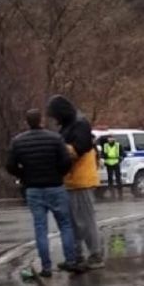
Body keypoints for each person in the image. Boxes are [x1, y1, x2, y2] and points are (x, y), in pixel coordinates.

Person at [6, 109, 81, 276]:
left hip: (33, 188)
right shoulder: (55, 138)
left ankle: (46, 267)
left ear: (27, 122)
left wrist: (23, 175)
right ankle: (70, 260)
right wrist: (59, 174)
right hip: (55, 185)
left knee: (40, 228)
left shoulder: (18, 141)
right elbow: (66, 161)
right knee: (65, 225)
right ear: (41, 120)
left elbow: (10, 165)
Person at [47, 95, 104, 268]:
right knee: (72, 223)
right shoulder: (67, 126)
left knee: (85, 221)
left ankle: (95, 255)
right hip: (70, 181)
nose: (54, 120)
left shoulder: (80, 125)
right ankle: (76, 256)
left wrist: (57, 148)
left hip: (81, 180)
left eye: (55, 115)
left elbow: (81, 148)